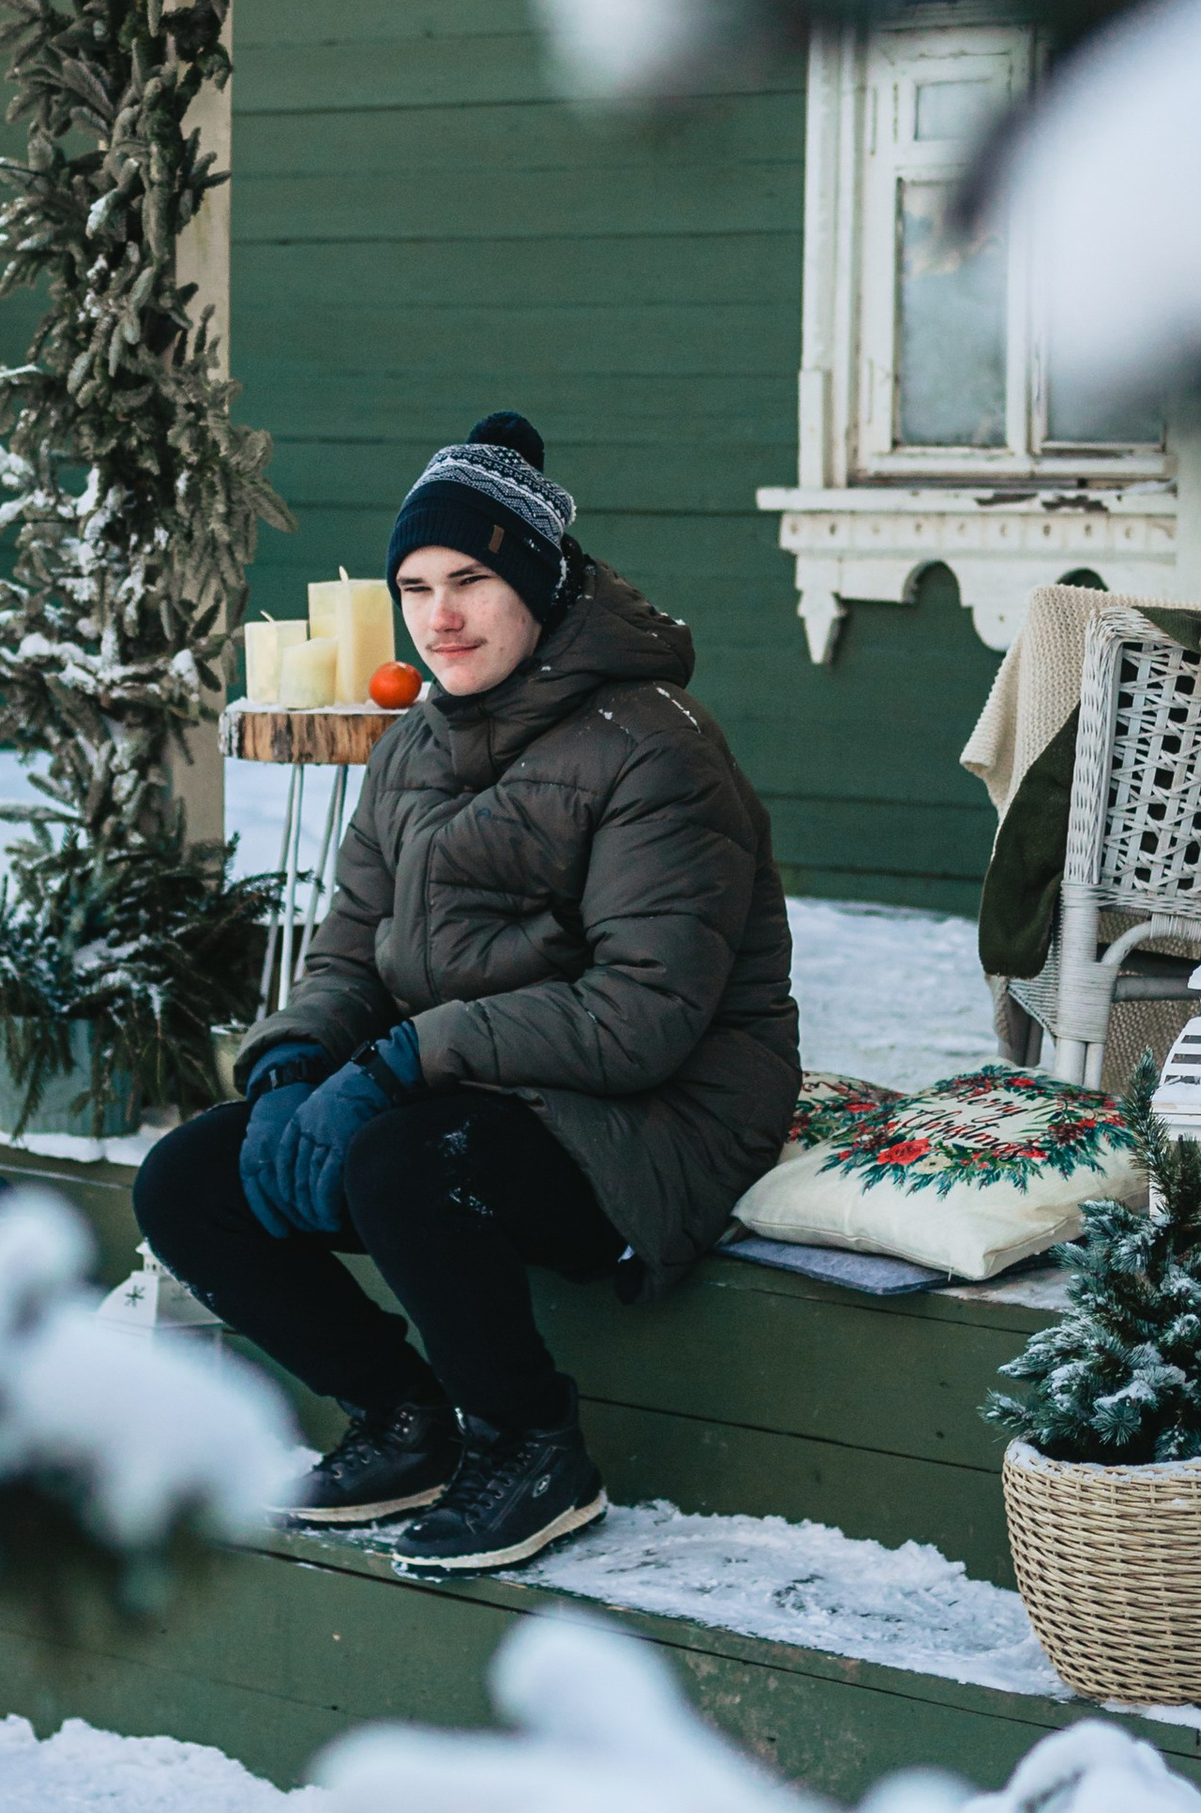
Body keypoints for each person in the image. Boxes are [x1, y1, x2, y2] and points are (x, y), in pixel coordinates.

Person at [135, 411, 801, 1574]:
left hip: (655, 1113)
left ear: (539, 586)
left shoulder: (655, 749)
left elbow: (641, 1016)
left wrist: (398, 1062)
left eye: (471, 581)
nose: (438, 616)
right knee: (192, 1175)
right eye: (415, 586)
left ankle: (532, 1445)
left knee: (408, 1160)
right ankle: (404, 1420)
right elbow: (348, 954)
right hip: (478, 1091)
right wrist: (296, 1068)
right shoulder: (413, 747)